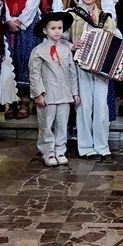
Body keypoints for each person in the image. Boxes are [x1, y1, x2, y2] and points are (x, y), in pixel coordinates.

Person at [0, 0, 55, 119]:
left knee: (26, 58)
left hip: (28, 22)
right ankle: (11, 101)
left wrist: (22, 21)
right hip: (8, 22)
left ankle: (24, 100)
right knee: (9, 58)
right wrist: (9, 19)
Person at [67, 0, 122, 159]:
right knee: (83, 106)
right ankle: (85, 146)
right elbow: (62, 39)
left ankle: (102, 145)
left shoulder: (106, 18)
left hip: (101, 68)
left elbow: (115, 40)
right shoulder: (71, 16)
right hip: (80, 65)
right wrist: (72, 46)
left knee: (101, 106)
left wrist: (120, 64)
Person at [29, 12, 79, 166]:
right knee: (46, 124)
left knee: (62, 124)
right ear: (45, 30)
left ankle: (60, 150)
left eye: (60, 28)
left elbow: (72, 73)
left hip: (64, 93)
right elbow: (35, 74)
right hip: (48, 94)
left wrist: (75, 92)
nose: (57, 31)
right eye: (53, 28)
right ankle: (48, 151)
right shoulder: (38, 50)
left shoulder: (66, 50)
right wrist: (38, 94)